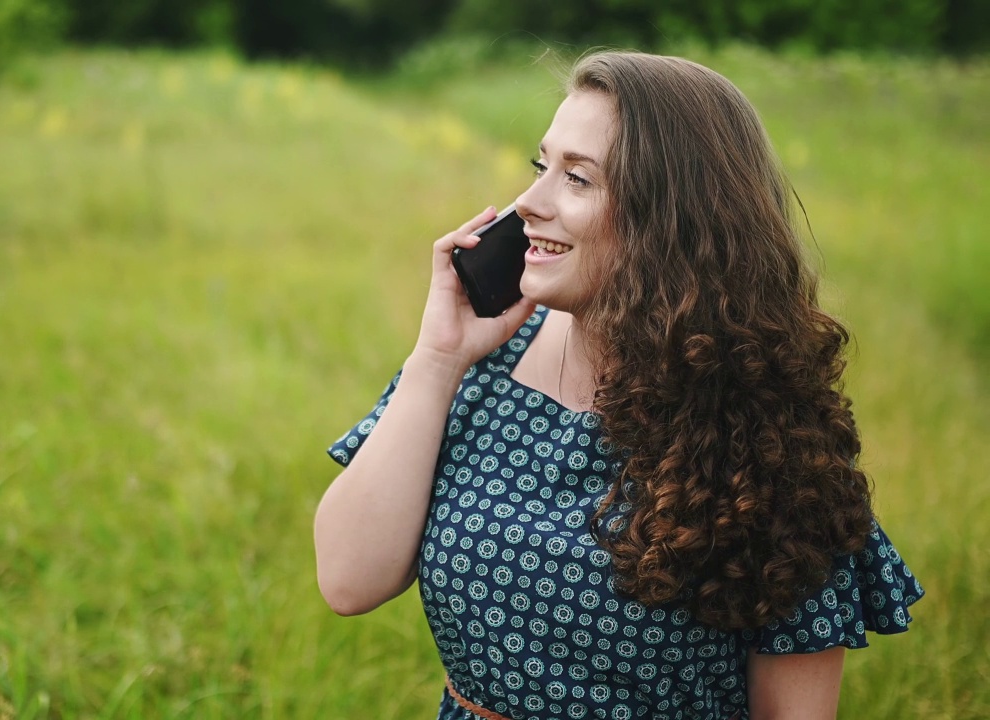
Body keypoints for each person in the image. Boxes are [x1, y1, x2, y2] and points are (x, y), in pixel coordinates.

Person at [313, 51, 923, 720]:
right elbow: (348, 580)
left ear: (670, 219)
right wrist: (437, 357)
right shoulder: (480, 361)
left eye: (576, 178)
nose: (530, 202)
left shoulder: (762, 425)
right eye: (540, 166)